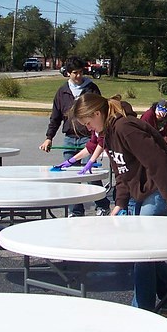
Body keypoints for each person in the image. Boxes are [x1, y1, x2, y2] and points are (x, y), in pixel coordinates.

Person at [70, 92, 167, 312]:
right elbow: (121, 172)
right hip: (145, 190)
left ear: (97, 114)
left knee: (142, 249)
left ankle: (141, 310)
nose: (88, 128)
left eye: (87, 123)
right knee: (146, 248)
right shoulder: (108, 134)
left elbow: (158, 160)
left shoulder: (125, 128)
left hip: (161, 187)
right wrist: (120, 203)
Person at [40, 56, 110, 216]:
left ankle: (102, 205)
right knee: (72, 177)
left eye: (80, 72)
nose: (78, 76)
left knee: (90, 174)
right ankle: (76, 211)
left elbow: (101, 112)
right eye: (74, 73)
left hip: (89, 138)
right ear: (68, 73)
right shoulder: (62, 91)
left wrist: (98, 134)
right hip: (70, 139)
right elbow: (55, 117)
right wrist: (49, 137)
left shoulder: (91, 88)